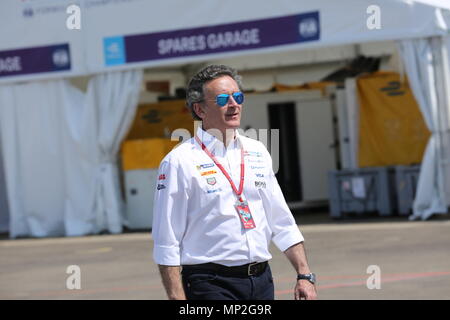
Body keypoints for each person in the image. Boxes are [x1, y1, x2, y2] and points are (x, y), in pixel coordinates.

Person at [152, 64, 317, 300]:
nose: (234, 104)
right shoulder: (178, 162)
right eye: (222, 99)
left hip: (261, 281)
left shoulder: (257, 151)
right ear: (199, 109)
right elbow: (166, 241)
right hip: (210, 284)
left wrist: (304, 275)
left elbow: (282, 221)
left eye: (238, 96)